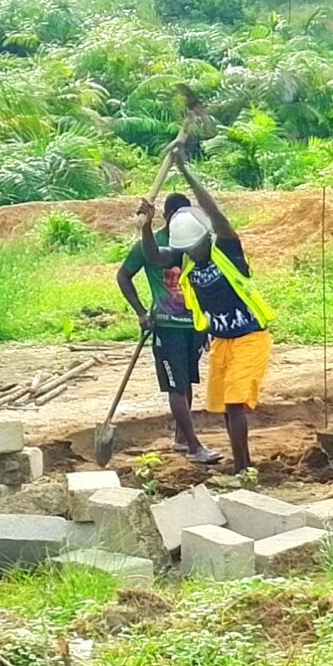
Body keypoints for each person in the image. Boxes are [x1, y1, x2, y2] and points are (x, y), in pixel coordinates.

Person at [141, 144, 274, 471]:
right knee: (226, 408)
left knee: (234, 402)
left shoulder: (226, 248)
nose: (192, 252)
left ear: (205, 237)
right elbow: (155, 257)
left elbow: (215, 213)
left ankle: (244, 470)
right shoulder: (184, 255)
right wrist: (145, 225)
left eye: (195, 245)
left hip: (250, 337)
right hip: (221, 341)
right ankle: (242, 466)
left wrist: (186, 172)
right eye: (185, 248)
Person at [118, 192, 220, 463]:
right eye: (176, 219)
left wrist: (207, 323)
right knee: (176, 385)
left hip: (194, 326)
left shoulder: (193, 242)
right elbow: (127, 273)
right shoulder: (157, 244)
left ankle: (181, 438)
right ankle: (196, 447)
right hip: (168, 325)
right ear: (166, 218)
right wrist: (141, 313)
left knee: (186, 382)